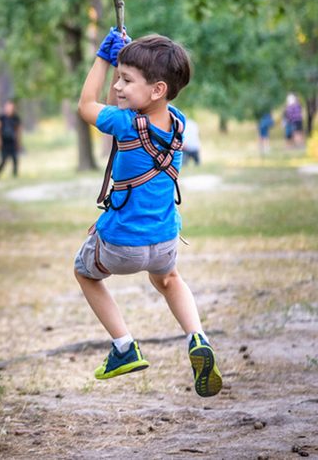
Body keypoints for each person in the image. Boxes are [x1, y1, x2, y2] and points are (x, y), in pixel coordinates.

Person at [73, 28, 222, 398]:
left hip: (123, 245)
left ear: (156, 89)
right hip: (165, 241)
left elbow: (88, 106)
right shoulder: (179, 124)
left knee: (85, 273)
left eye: (127, 80)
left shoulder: (125, 125)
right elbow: (115, 105)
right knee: (169, 279)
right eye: (118, 79)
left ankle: (124, 347)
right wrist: (123, 65)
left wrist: (104, 58)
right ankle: (197, 337)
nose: (119, 87)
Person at [0, 100, 21, 180]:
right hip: (4, 142)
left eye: (12, 107)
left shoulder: (16, 118)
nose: (11, 109)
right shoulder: (1, 117)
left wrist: (18, 142)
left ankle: (15, 175)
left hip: (12, 141)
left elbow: (18, 131)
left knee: (15, 159)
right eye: (9, 107)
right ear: (5, 107)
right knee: (3, 160)